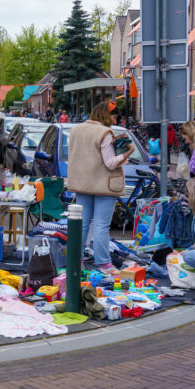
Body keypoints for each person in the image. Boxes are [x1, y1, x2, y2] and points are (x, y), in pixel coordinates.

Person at [68, 102, 134, 272]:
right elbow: (111, 164)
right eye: (114, 116)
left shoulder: (76, 130)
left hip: (82, 184)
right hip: (103, 186)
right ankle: (104, 263)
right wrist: (128, 151)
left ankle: (76, 261)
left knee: (81, 225)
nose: (115, 120)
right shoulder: (105, 132)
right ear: (106, 115)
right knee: (101, 226)